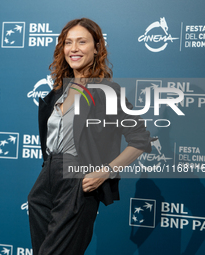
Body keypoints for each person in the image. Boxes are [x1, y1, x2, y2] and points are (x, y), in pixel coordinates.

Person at [28, 18, 154, 255]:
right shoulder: (56, 93)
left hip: (77, 180)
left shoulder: (108, 92)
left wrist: (105, 172)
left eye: (82, 42)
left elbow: (140, 140)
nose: (73, 49)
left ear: (96, 48)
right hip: (46, 182)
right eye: (68, 42)